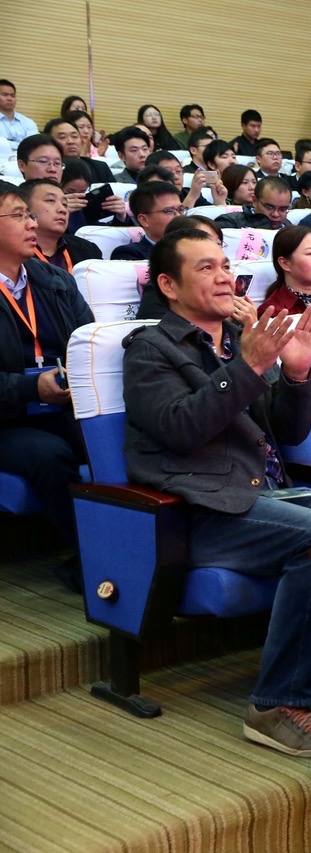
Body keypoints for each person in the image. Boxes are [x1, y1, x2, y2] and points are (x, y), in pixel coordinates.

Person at [123, 228, 311, 757]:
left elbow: (288, 432)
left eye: (225, 265)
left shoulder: (240, 338)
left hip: (266, 496)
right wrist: (247, 368)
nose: (224, 277)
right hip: (204, 511)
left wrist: (296, 374)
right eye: (205, 268)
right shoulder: (150, 350)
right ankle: (276, 705)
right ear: (168, 286)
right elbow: (181, 430)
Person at [0, 184, 94, 587]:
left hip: (63, 403)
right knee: (50, 455)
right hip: (8, 419)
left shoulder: (55, 280)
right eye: (18, 215)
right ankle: (96, 558)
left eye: (29, 214)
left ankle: (145, 544)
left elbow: (89, 341)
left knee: (120, 437)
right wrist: (29, 389)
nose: (31, 223)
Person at [19, 179, 101, 272]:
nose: (62, 209)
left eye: (65, 204)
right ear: (25, 208)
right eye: (50, 200)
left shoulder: (87, 250)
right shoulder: (12, 253)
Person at [110, 182, 183, 261]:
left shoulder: (192, 246)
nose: (178, 216)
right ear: (144, 220)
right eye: (169, 211)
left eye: (180, 209)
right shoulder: (129, 253)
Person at [0, 80, 38, 144]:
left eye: (13, 96)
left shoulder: (28, 123)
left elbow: (34, 145)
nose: (9, 99)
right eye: (5, 95)